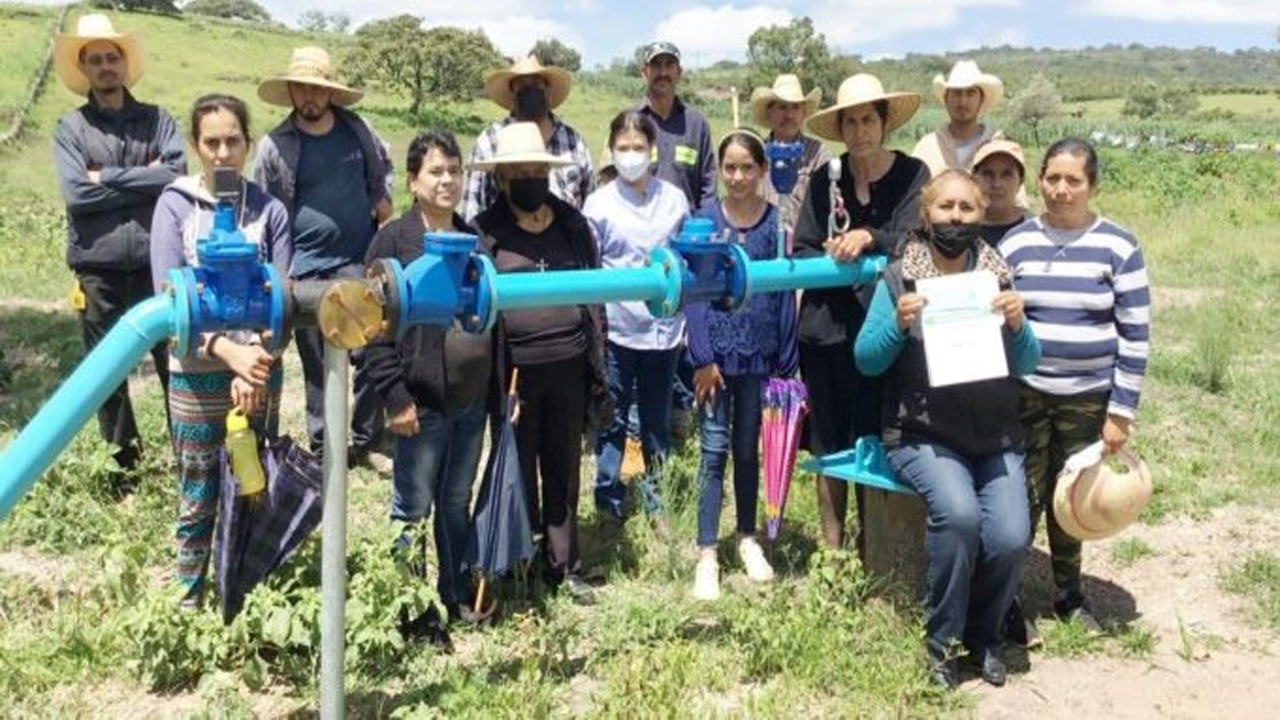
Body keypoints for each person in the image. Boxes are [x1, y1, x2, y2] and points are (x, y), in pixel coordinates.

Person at [855, 169, 1039, 689]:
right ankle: (941, 644)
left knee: (1009, 535)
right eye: (946, 208)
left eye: (967, 209)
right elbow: (866, 361)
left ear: (981, 216)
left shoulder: (995, 277)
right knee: (958, 517)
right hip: (922, 433)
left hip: (995, 433)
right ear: (926, 213)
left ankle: (982, 639)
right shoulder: (897, 279)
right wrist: (898, 324)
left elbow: (1028, 361)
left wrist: (1019, 325)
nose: (956, 218)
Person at [1000, 138, 1151, 632]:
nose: (1061, 190)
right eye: (1052, 178)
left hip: (1088, 398)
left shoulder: (1119, 246)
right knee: (1022, 496)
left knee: (1074, 496)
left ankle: (1068, 593)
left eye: (1074, 181)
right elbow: (996, 317)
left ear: (1092, 185)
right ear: (1039, 180)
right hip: (1026, 393)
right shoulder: (1016, 243)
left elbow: (1134, 332)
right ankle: (1010, 599)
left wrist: (1121, 411)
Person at [150, 94, 292, 608]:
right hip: (194, 373)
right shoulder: (175, 205)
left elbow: (283, 299)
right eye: (211, 142)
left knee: (253, 484)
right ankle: (188, 602)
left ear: (248, 145)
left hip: (257, 372)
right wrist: (226, 353)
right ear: (195, 146)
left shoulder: (269, 211)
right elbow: (167, 303)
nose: (222, 152)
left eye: (233, 140)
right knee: (198, 489)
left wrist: (252, 361)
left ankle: (246, 598)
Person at [360, 130, 492, 638]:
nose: (447, 180)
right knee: (412, 507)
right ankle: (412, 609)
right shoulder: (392, 241)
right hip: (420, 402)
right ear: (413, 181)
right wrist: (396, 397)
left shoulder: (474, 238)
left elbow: (489, 314)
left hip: (470, 401)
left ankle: (454, 591)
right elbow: (370, 327)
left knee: (455, 501)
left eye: (454, 171)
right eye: (436, 171)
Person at [52, 14, 186, 494]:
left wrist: (103, 177)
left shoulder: (158, 119)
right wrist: (142, 178)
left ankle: (188, 462)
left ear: (125, 65)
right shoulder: (71, 128)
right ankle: (124, 470)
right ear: (84, 69)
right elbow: (75, 195)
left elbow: (176, 174)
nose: (106, 66)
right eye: (96, 60)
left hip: (158, 266)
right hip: (98, 270)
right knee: (106, 375)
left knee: (178, 366)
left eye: (113, 58)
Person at [794, 73, 929, 549]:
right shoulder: (821, 183)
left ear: (884, 121)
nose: (859, 131)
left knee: (877, 437)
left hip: (886, 331)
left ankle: (876, 548)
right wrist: (833, 257)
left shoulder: (913, 176)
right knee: (829, 442)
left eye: (868, 119)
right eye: (849, 122)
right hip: (825, 332)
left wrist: (870, 237)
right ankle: (833, 555)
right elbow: (803, 250)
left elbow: (915, 244)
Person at [472, 122, 603, 601]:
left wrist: (596, 361)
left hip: (569, 362)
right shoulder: (487, 231)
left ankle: (564, 563)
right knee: (517, 462)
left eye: (536, 169)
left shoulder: (571, 223)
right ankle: (519, 561)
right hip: (514, 371)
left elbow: (594, 294)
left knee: (564, 463)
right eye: (519, 171)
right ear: (503, 178)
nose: (529, 177)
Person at [253, 46, 393, 473]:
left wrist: (382, 201)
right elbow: (264, 213)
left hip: (357, 259)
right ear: (291, 92)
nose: (309, 97)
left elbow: (381, 174)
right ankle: (323, 447)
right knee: (317, 364)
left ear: (329, 92)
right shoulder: (275, 147)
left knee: (373, 351)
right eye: (301, 89)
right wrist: (279, 273)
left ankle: (368, 440)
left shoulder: (358, 131)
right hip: (304, 269)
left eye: (316, 88)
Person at [687, 129, 798, 601]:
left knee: (748, 449)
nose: (737, 177)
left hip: (759, 356)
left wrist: (785, 362)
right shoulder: (704, 223)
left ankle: (748, 537)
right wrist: (702, 357)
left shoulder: (776, 225)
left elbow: (784, 294)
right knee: (713, 450)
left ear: (762, 171)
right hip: (717, 357)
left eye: (746, 168)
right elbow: (693, 295)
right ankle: (707, 552)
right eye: (729, 167)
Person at [584, 111, 689, 523]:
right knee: (611, 418)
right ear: (611, 151)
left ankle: (655, 500)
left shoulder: (674, 200)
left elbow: (684, 260)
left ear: (653, 151)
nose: (631, 155)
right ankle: (608, 501)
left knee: (655, 420)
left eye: (638, 147)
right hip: (617, 330)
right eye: (623, 148)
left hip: (664, 332)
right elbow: (592, 267)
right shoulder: (599, 204)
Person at [635, 40, 716, 443]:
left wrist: (701, 238)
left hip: (686, 248)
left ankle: (681, 411)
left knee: (685, 328)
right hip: (642, 249)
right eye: (656, 66)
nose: (663, 73)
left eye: (670, 65)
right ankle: (641, 423)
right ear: (643, 73)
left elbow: (708, 185)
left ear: (679, 72)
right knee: (642, 326)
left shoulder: (697, 124)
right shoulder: (633, 121)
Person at [463, 56, 594, 223]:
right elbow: (473, 208)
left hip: (567, 244)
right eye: (522, 85)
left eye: (536, 83)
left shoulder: (574, 142)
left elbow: (590, 205)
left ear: (548, 91)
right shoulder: (489, 141)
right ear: (512, 94)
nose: (530, 90)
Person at [749, 73, 832, 223]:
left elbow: (829, 203)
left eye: (795, 107)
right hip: (763, 239)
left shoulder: (818, 154)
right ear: (769, 112)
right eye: (782, 107)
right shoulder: (756, 152)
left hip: (803, 242)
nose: (789, 115)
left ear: (803, 113)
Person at [912, 60, 1006, 177]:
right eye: (957, 93)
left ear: (981, 100)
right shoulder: (926, 147)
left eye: (971, 93)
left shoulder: (998, 144)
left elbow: (1014, 193)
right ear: (946, 99)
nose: (963, 101)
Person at [973, 139, 1031, 247]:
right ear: (974, 179)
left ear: (1021, 181)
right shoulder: (963, 231)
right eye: (988, 174)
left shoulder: (1035, 231)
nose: (996, 184)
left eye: (1006, 174)